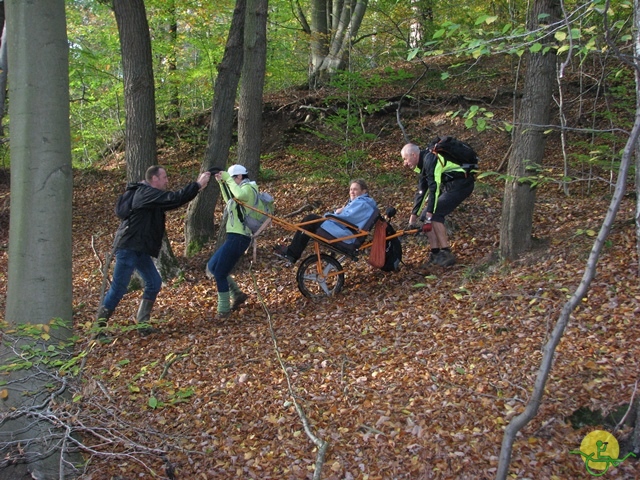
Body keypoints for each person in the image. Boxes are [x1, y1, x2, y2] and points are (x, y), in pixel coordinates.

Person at [96, 165, 211, 337]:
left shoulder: (150, 196)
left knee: (154, 282)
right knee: (119, 288)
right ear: (154, 179)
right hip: (128, 248)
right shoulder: (145, 193)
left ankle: (142, 323)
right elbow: (174, 198)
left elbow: (172, 201)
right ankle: (98, 328)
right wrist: (197, 185)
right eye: (164, 177)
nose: (167, 181)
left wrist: (196, 188)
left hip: (140, 249)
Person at [401, 141, 474, 267]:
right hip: (450, 185)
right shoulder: (423, 163)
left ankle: (446, 253)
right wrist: (414, 216)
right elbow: (422, 191)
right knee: (425, 217)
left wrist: (430, 213)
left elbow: (434, 189)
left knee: (435, 214)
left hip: (462, 184)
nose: (405, 163)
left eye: (405, 159)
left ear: (413, 155)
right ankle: (435, 253)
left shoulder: (432, 159)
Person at [274, 179, 378, 263]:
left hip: (347, 236)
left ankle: (292, 253)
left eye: (355, 189)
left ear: (364, 191)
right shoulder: (360, 203)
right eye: (350, 189)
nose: (352, 192)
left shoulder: (363, 203)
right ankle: (292, 252)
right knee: (309, 223)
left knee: (310, 219)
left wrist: (334, 213)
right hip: (343, 230)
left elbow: (348, 217)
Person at [207, 164, 258, 318]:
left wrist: (227, 179)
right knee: (212, 266)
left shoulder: (249, 188)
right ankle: (237, 294)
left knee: (220, 273)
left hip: (240, 237)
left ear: (240, 176)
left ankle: (223, 310)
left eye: (233, 178)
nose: (232, 181)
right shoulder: (240, 189)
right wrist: (223, 183)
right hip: (234, 236)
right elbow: (230, 200)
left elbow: (240, 196)